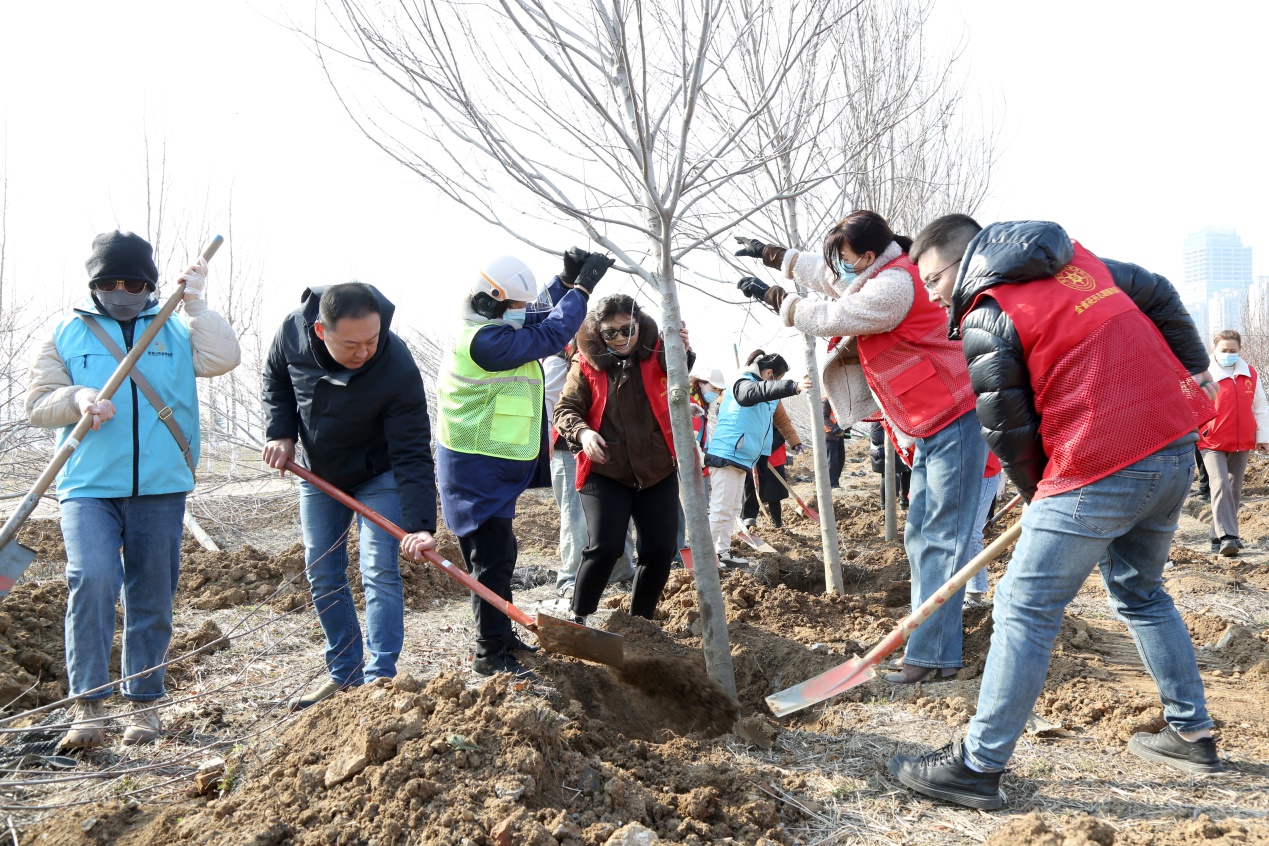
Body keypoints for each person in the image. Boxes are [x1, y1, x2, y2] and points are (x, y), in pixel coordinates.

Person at [888, 216, 1221, 810]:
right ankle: (1191, 733)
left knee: (1024, 606)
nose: (932, 292)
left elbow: (1009, 433)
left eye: (933, 277)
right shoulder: (1083, 265)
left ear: (962, 261)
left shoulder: (987, 316)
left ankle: (977, 764)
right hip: (1172, 448)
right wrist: (1196, 371)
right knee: (1140, 592)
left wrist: (1046, 494)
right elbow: (1162, 291)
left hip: (1100, 461)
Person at [735, 212, 986, 684]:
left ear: (868, 257)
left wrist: (775, 299)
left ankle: (933, 658)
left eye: (846, 260)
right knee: (922, 538)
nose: (839, 271)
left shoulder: (894, 286)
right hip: (931, 420)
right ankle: (927, 648)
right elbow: (829, 276)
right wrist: (774, 256)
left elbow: (832, 313)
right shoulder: (877, 271)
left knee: (941, 540)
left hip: (952, 415)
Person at [26, 231, 240, 749]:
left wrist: (195, 304)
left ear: (150, 285)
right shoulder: (65, 332)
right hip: (87, 486)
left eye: (134, 282)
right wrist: (76, 398)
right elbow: (37, 405)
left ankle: (143, 706)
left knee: (151, 593)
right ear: (94, 284)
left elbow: (223, 358)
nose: (122, 291)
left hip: (161, 485)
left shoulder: (175, 328)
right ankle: (89, 706)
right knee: (92, 580)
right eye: (110, 281)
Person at [262, 282, 436, 709]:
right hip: (319, 473)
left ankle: (379, 681)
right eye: (352, 345)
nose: (364, 352)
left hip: (379, 473)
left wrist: (419, 526)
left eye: (372, 340)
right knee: (321, 570)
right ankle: (345, 676)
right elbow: (276, 380)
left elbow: (413, 451)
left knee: (378, 568)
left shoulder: (395, 363)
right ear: (320, 331)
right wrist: (281, 433)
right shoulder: (291, 333)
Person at [437, 250, 609, 677]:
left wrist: (564, 280)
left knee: (501, 556)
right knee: (490, 561)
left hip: (490, 465)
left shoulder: (490, 323)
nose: (520, 313)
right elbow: (551, 333)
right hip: (474, 468)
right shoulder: (483, 342)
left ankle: (501, 636)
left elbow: (536, 314)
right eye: (513, 305)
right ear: (491, 301)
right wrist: (583, 291)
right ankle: (488, 653)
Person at [554, 294, 692, 623]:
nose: (619, 339)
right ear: (599, 334)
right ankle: (579, 615)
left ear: (638, 325)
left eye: (626, 330)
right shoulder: (585, 363)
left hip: (656, 469)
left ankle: (639, 621)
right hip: (606, 470)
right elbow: (565, 410)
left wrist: (682, 352)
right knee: (605, 547)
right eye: (610, 333)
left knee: (660, 550)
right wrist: (584, 434)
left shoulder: (659, 351)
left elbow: (679, 383)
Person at [540, 272, 635, 601]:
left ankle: (624, 571)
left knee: (616, 511)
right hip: (570, 448)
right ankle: (570, 578)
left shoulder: (612, 357)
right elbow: (555, 404)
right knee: (576, 514)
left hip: (608, 447)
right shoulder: (561, 357)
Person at [704, 350, 801, 567]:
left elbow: (781, 420)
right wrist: (792, 387)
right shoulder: (743, 383)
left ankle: (722, 554)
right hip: (727, 454)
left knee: (730, 510)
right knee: (720, 509)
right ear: (768, 374)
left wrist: (793, 440)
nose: (778, 383)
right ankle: (704, 559)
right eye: (778, 379)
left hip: (744, 458)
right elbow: (752, 394)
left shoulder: (768, 396)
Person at [1199, 329, 1269, 555]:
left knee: (1234, 490)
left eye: (1233, 351)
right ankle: (1229, 536)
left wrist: (1263, 438)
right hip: (1211, 441)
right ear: (1215, 349)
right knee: (1219, 485)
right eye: (1224, 350)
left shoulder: (1250, 373)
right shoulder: (1205, 373)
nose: (1228, 354)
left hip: (1242, 440)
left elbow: (1260, 407)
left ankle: (1216, 537)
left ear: (1240, 351)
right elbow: (1192, 405)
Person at [741, 401, 803, 529]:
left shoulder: (772, 408)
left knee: (774, 494)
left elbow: (780, 434)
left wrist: (763, 450)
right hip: (751, 459)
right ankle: (748, 522)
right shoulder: (745, 412)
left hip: (772, 459)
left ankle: (777, 523)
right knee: (751, 491)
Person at [868, 421, 911, 510]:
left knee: (908, 470)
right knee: (890, 476)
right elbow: (876, 438)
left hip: (897, 449)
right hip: (882, 452)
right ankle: (885, 506)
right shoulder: (879, 418)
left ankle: (904, 500)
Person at [822, 396, 846, 489]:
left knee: (840, 460)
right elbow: (823, 418)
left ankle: (835, 483)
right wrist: (836, 430)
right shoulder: (826, 401)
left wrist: (846, 430)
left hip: (839, 436)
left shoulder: (840, 400)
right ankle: (832, 485)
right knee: (832, 461)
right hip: (829, 436)